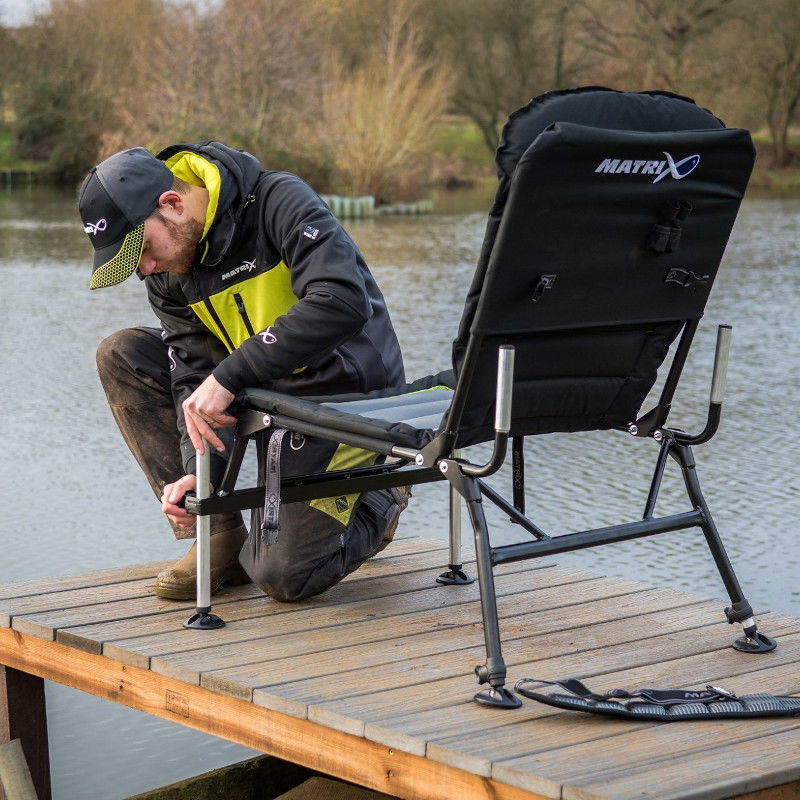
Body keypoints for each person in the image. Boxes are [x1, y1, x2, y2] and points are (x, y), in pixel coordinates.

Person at [79, 142, 409, 602]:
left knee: (282, 577)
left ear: (172, 204)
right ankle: (217, 531)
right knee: (122, 353)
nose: (145, 270)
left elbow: (341, 301)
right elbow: (193, 376)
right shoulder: (168, 271)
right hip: (263, 394)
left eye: (144, 250)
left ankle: (382, 499)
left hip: (344, 401)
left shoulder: (278, 200)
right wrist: (203, 474)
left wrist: (230, 376)